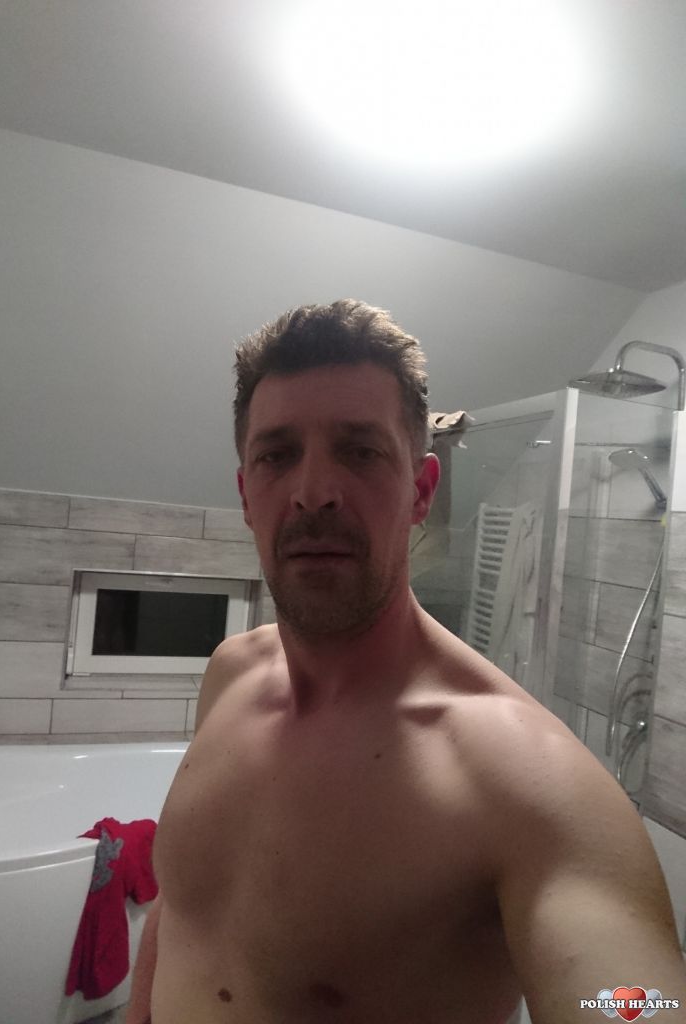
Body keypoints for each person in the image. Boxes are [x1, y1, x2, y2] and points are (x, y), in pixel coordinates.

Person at [127, 300, 686, 1024]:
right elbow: (178, 915)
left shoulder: (525, 782)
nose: (313, 493)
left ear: (421, 492)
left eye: (360, 451)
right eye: (276, 455)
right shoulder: (230, 673)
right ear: (245, 495)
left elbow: (630, 999)